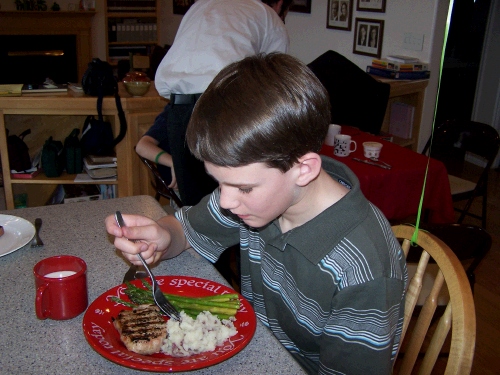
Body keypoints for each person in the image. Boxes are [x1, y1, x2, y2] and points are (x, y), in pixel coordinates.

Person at [106, 53, 407, 374]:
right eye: (221, 184)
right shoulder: (259, 198)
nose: (226, 202)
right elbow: (186, 232)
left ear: (303, 170)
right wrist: (164, 236)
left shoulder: (363, 272)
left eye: (242, 187)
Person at [135, 0, 292, 207]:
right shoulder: (267, 15)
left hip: (180, 106)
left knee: (194, 204)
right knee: (233, 198)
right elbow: (274, 82)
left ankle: (194, 237)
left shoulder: (202, 4)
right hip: (225, 104)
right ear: (279, 5)